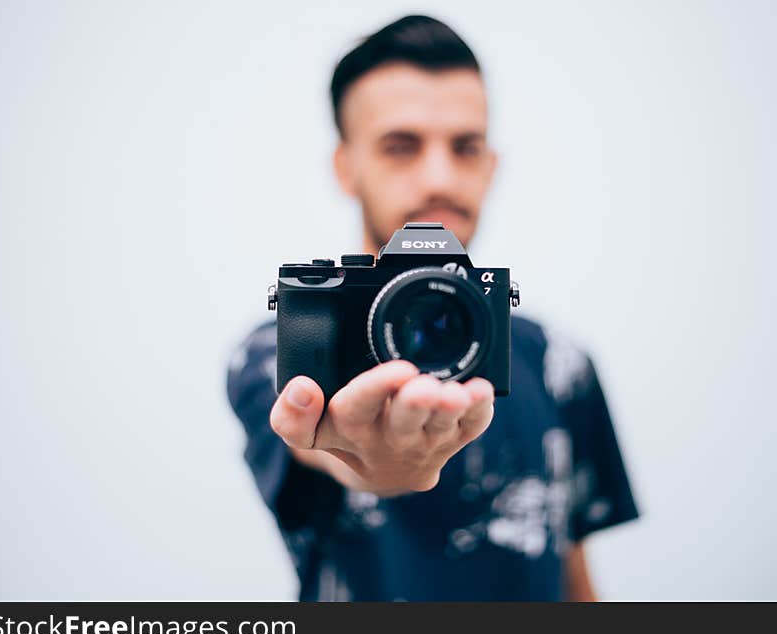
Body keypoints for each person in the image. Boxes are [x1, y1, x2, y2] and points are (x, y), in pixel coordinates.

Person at [227, 15, 639, 601]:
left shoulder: (558, 361)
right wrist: (379, 465)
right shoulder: (277, 347)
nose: (439, 177)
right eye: (401, 147)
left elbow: (573, 574)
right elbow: (320, 447)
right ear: (346, 167)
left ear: (491, 166)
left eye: (466, 147)